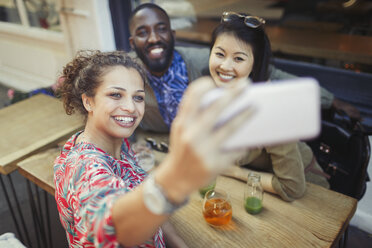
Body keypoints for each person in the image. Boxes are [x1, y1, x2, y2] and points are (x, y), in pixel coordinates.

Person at [53, 50, 252, 247]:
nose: (131, 107)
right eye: (116, 95)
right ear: (88, 101)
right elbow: (113, 228)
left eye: (138, 97)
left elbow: (144, 202)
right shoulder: (84, 167)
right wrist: (175, 176)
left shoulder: (116, 143)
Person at [128, 3, 361, 133]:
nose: (153, 38)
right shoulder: (127, 74)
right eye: (142, 32)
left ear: (173, 35)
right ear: (132, 43)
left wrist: (332, 101)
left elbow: (274, 76)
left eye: (161, 29)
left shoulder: (206, 62)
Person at [208, 11, 330, 201]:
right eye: (219, 54)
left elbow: (292, 188)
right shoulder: (217, 96)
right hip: (257, 190)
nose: (225, 66)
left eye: (239, 58)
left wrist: (233, 171)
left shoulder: (271, 112)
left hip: (309, 196)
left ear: (254, 65)